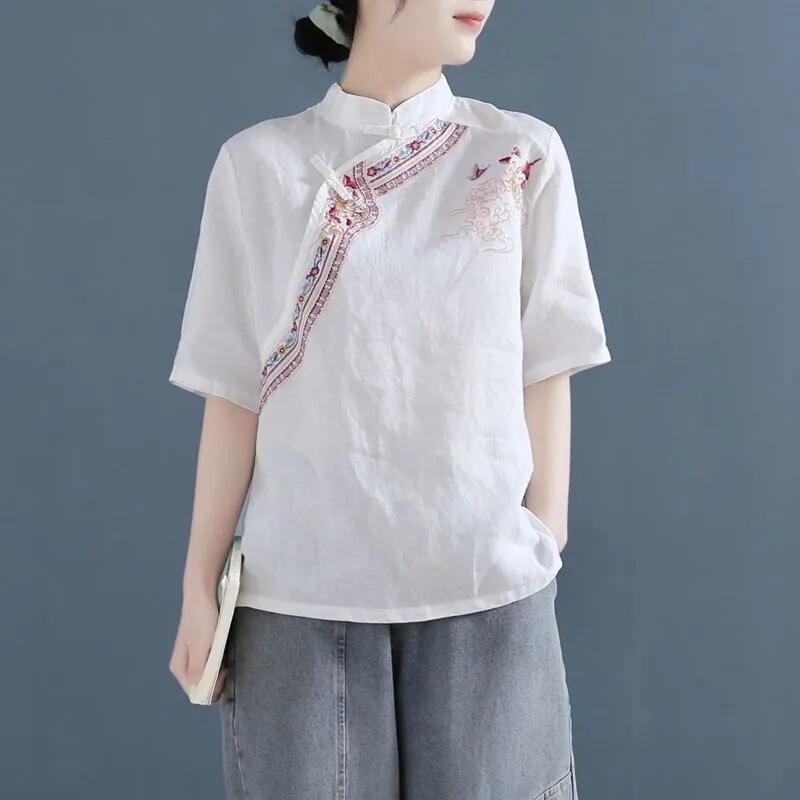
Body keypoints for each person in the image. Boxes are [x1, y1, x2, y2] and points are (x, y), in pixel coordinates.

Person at [167, 0, 612, 797]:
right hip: (298, 601)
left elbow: (548, 362)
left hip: (487, 590)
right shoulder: (258, 165)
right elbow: (234, 392)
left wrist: (547, 532)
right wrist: (199, 587)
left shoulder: (519, 154)